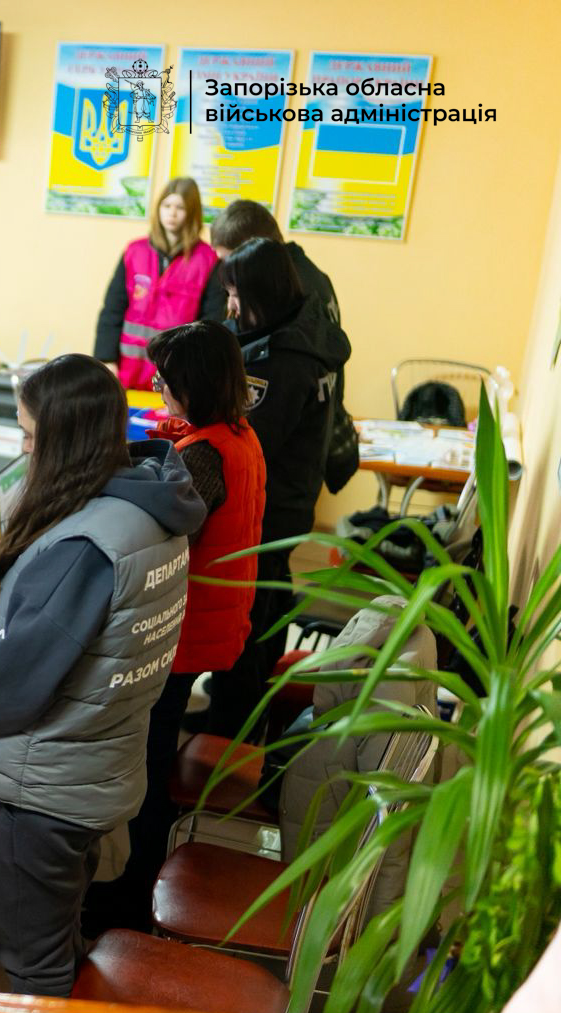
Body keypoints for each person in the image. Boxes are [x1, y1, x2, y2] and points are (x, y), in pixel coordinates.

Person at [0, 354, 204, 1013]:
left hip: (45, 786)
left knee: (35, 968)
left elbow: (22, 676)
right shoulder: (151, 509)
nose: (23, 450)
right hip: (100, 760)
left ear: (64, 440)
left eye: (29, 435)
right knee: (56, 936)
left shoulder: (84, 544)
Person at [82, 321, 266, 933]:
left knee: (149, 761)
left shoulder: (204, 457)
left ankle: (132, 896)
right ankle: (137, 883)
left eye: (164, 381)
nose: (158, 389)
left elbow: (166, 527)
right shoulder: (238, 435)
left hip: (181, 632)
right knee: (154, 749)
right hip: (217, 618)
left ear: (194, 385)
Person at [200, 237, 351, 739]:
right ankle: (244, 715)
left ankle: (230, 735)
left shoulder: (280, 362)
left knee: (248, 622)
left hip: (268, 508)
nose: (230, 306)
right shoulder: (307, 332)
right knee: (269, 605)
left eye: (235, 294)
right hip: (292, 500)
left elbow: (249, 441)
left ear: (259, 294)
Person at [93, 176, 218, 389]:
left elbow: (211, 322)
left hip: (175, 376)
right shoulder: (134, 252)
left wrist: (198, 372)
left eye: (180, 207)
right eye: (166, 205)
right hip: (127, 372)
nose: (172, 213)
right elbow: (113, 309)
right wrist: (106, 359)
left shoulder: (208, 260)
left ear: (193, 213)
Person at [201, 198, 340, 325]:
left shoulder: (286, 290)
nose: (227, 271)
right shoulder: (304, 270)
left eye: (230, 261)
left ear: (252, 249)